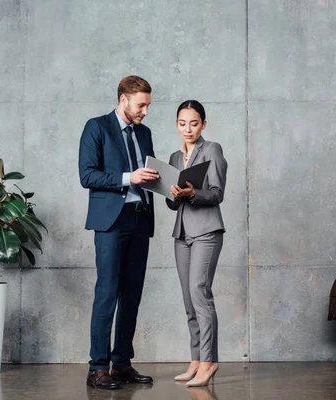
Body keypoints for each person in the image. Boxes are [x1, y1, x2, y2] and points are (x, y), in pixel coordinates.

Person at [79, 75, 159, 390]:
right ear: (123, 99)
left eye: (148, 105)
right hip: (112, 222)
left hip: (140, 219)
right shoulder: (96, 127)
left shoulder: (145, 133)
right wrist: (129, 177)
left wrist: (167, 184)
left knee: (132, 295)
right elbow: (87, 174)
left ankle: (121, 363)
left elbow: (147, 176)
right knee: (107, 293)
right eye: (141, 105)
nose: (145, 111)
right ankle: (97, 367)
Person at [166, 100, 227, 387]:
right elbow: (171, 203)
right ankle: (195, 359)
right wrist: (173, 194)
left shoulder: (212, 149)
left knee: (200, 292)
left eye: (193, 123)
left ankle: (209, 360)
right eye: (182, 123)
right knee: (189, 300)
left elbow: (216, 193)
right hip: (182, 234)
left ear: (203, 124)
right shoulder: (175, 157)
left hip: (206, 231)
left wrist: (192, 193)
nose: (187, 128)